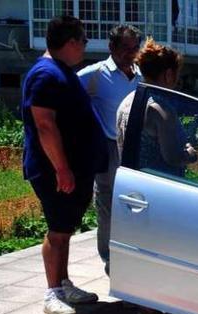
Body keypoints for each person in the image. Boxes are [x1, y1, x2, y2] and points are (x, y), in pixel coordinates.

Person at [21, 15, 105, 314]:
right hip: (55, 170)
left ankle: (64, 283)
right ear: (70, 42)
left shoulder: (60, 71)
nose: (84, 47)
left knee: (65, 228)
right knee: (57, 230)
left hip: (71, 167)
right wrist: (62, 168)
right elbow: (44, 125)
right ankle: (53, 292)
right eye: (82, 41)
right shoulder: (45, 75)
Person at [77, 24, 143, 275]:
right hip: (107, 148)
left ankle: (131, 252)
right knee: (107, 205)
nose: (131, 53)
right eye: (125, 48)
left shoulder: (140, 76)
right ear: (111, 47)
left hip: (133, 149)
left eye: (134, 48)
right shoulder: (94, 74)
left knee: (134, 205)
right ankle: (109, 259)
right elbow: (64, 95)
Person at [116, 38, 197, 176]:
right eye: (177, 74)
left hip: (131, 182)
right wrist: (190, 154)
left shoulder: (127, 101)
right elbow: (173, 158)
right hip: (158, 189)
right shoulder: (160, 110)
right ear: (169, 75)